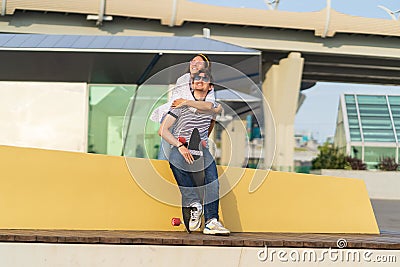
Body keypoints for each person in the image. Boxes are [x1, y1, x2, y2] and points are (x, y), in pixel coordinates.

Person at [158, 70, 230, 235]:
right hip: (181, 146)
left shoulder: (210, 107)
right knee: (175, 161)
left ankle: (212, 221)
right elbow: (163, 130)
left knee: (213, 181)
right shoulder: (180, 106)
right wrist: (179, 145)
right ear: (191, 84)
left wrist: (204, 138)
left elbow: (211, 119)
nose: (200, 80)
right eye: (196, 78)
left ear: (210, 87)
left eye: (205, 79)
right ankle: (194, 203)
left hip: (201, 149)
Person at [150, 54, 222, 160]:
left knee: (190, 157)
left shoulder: (207, 83)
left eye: (198, 62)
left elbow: (209, 106)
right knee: (166, 154)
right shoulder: (183, 79)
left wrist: (210, 109)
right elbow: (178, 104)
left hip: (191, 125)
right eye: (192, 61)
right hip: (173, 119)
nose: (194, 63)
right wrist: (210, 109)